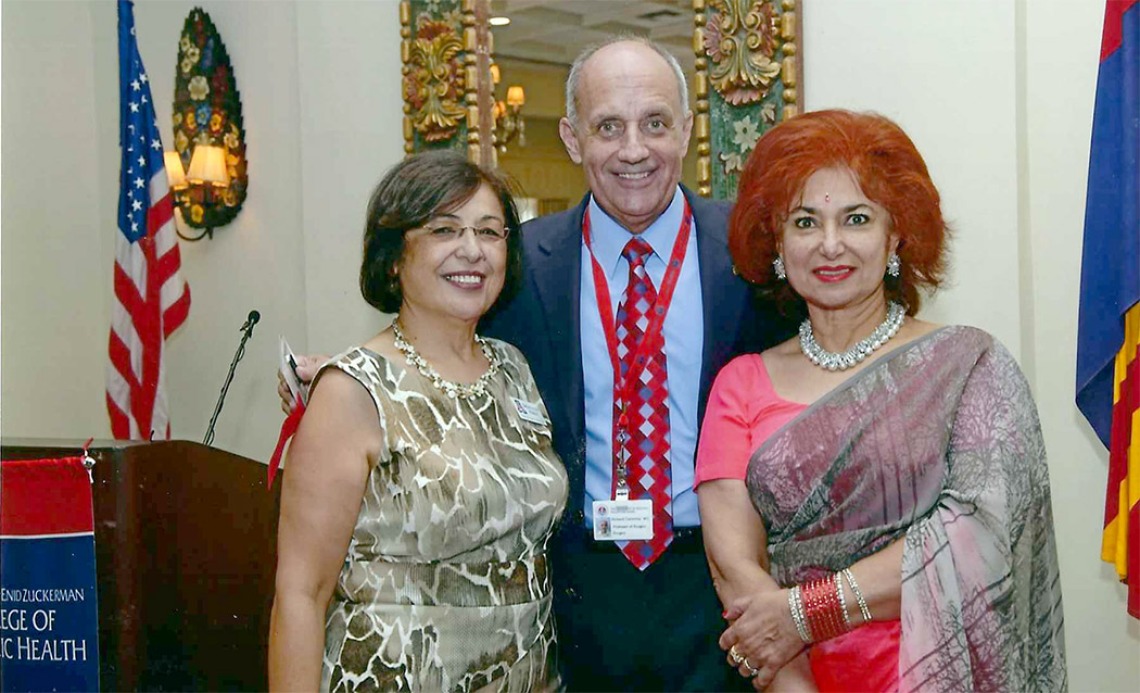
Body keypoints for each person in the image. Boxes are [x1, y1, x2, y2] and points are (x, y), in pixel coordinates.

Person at [284, 37, 789, 691]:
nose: (633, 149)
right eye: (609, 126)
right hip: (570, 595)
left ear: (687, 131)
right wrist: (343, 384)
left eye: (655, 123)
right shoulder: (515, 263)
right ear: (573, 137)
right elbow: (436, 346)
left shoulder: (752, 257)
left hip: (717, 585)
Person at [694, 109, 1067, 692]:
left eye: (857, 218)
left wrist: (805, 612)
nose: (831, 244)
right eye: (805, 222)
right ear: (776, 242)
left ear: (896, 235)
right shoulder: (740, 383)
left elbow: (980, 535)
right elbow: (734, 570)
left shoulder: (969, 366)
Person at [268, 151, 568, 692]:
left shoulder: (513, 370)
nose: (472, 250)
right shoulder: (351, 391)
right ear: (392, 257)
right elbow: (300, 593)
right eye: (444, 230)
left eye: (490, 231)